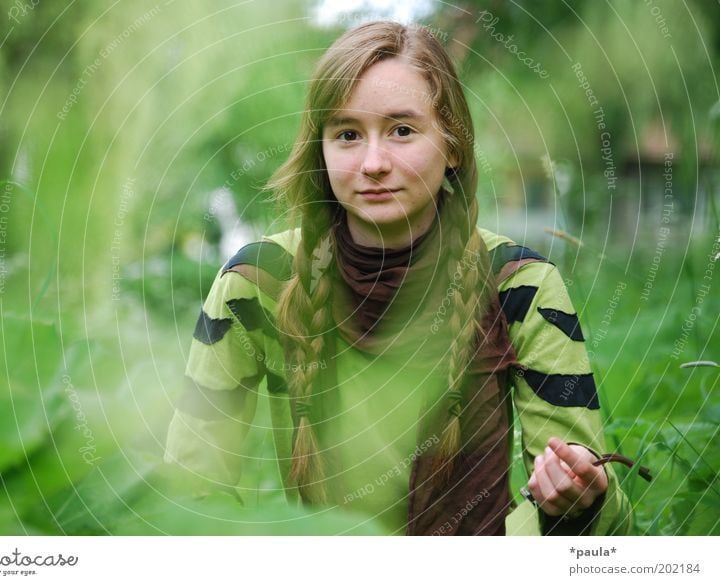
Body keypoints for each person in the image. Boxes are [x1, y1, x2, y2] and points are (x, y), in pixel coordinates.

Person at [164, 20, 635, 535]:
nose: (372, 163)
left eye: (402, 131)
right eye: (347, 134)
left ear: (452, 146)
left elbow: (602, 518)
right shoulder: (258, 282)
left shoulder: (518, 284)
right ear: (320, 151)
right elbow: (191, 489)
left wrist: (582, 498)